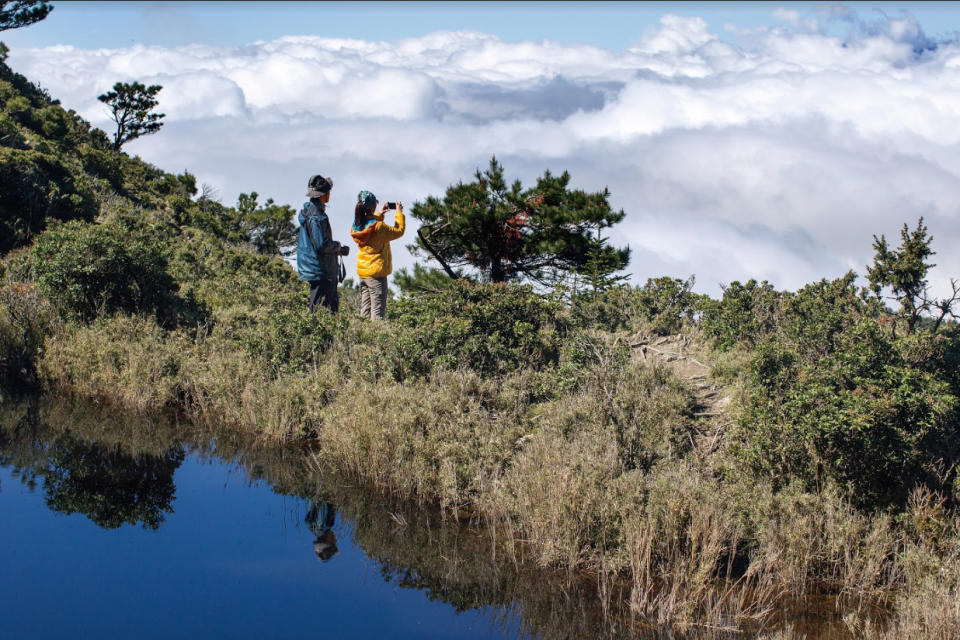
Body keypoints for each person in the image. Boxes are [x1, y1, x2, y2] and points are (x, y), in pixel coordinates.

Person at [349, 190, 405, 320]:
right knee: (377, 315)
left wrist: (380, 213)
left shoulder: (357, 225)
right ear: (373, 206)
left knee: (365, 313)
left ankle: (362, 339)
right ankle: (376, 339)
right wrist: (399, 213)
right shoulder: (378, 227)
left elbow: (372, 224)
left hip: (364, 274)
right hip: (376, 275)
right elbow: (398, 231)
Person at [297, 174, 349, 313]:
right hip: (321, 271)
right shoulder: (316, 216)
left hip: (315, 268)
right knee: (324, 311)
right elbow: (321, 245)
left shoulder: (309, 211)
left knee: (321, 308)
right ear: (323, 195)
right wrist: (337, 246)